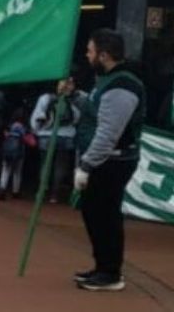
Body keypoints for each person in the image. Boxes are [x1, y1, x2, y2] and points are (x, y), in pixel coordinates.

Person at [64, 29, 145, 292]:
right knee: (94, 213)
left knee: (105, 215)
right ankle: (103, 267)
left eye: (90, 51)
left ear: (104, 54)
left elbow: (108, 133)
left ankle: (110, 272)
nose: (87, 56)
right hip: (107, 159)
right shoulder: (107, 81)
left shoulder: (122, 86)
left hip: (114, 161)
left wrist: (87, 165)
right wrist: (75, 95)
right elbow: (96, 108)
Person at [30, 74, 83, 203]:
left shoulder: (46, 98)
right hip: (67, 135)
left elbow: (37, 116)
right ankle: (54, 194)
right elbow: (77, 118)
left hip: (46, 134)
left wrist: (35, 130)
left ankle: (41, 192)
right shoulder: (75, 100)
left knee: (45, 164)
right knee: (61, 164)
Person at [0, 107, 28, 200]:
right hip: (19, 151)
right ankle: (15, 191)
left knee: (6, 170)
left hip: (8, 150)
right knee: (17, 172)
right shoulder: (23, 127)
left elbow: (5, 135)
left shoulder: (9, 126)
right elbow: (25, 138)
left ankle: (2, 188)